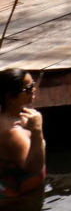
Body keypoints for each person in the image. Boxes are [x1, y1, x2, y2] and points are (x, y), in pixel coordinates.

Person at [0, 70, 43, 198]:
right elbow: (34, 168)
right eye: (28, 89)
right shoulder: (14, 132)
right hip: (17, 202)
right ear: (10, 97)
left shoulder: (12, 115)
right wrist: (37, 131)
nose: (34, 90)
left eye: (33, 85)